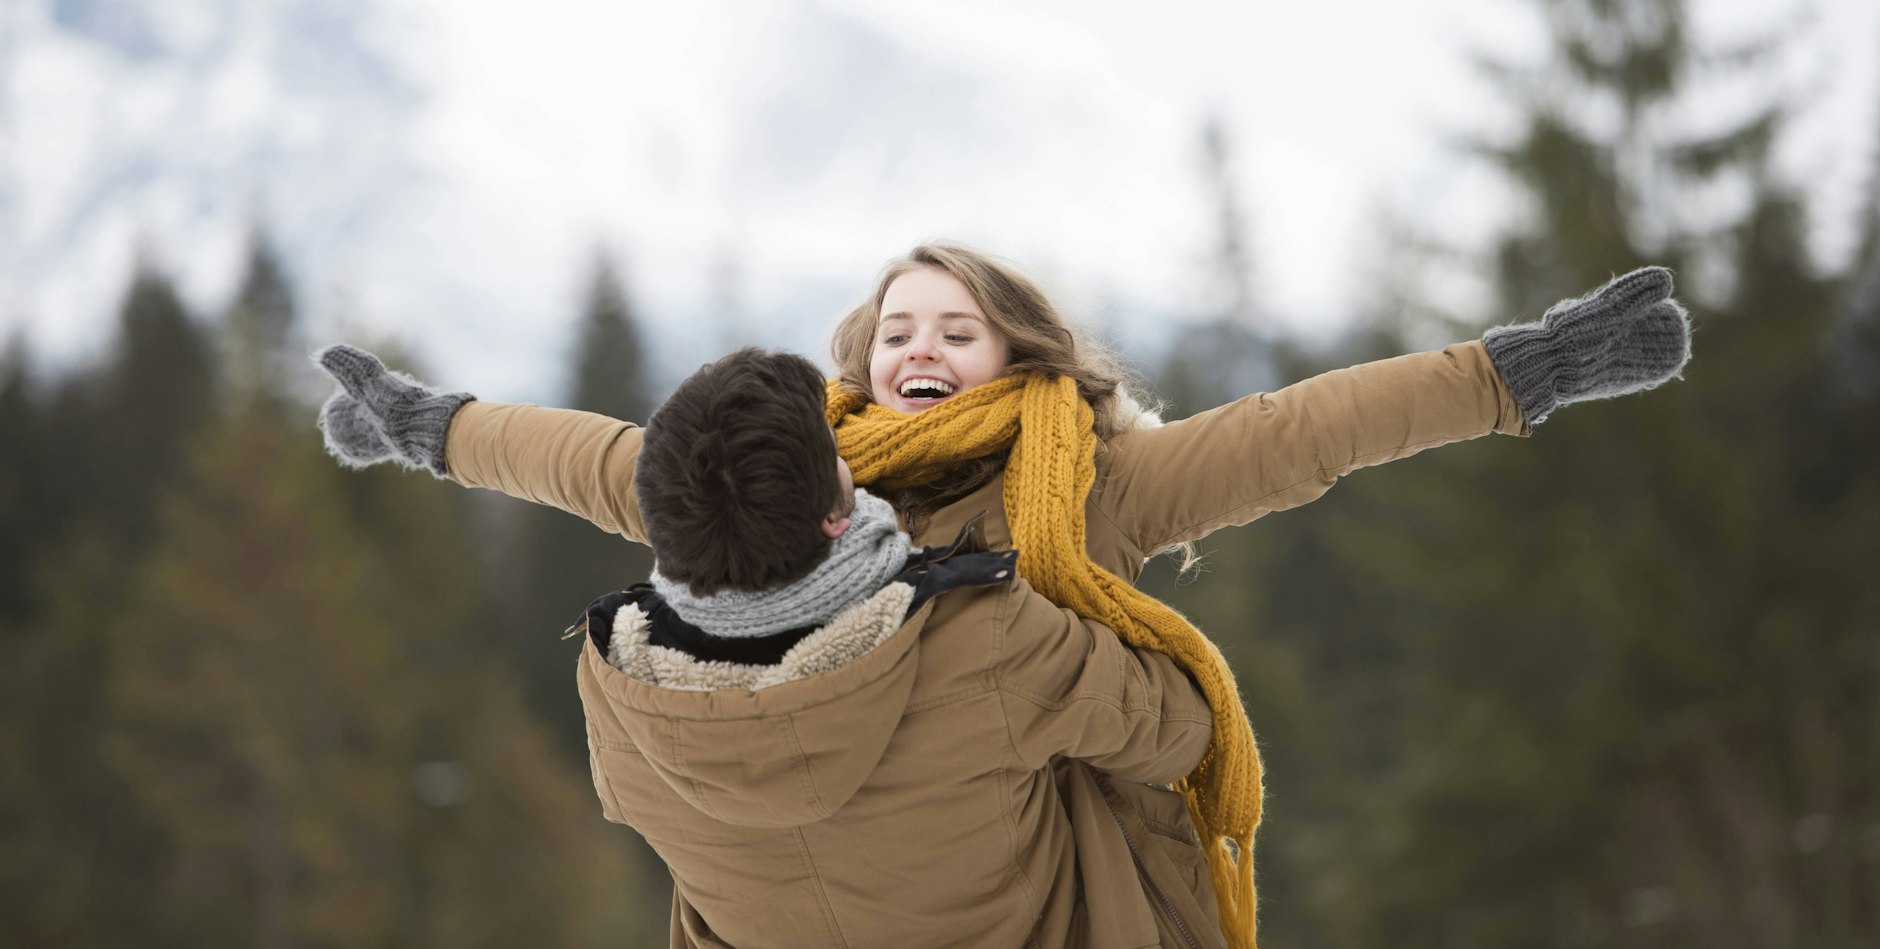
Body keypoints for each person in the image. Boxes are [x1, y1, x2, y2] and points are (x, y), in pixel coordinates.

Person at [316, 244, 1692, 948]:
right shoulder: (764, 479)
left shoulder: (1089, 487)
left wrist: (1518, 372)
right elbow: (578, 453)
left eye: (955, 327)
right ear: (854, 368)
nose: (921, 342)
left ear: (1018, 355)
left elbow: (1297, 430)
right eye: (894, 326)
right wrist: (429, 425)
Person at [317, 344, 1217, 948]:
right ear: (835, 512)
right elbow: (1179, 732)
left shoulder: (623, 700)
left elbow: (594, 461)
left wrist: (442, 431)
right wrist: (1079, 583)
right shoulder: (986, 643)